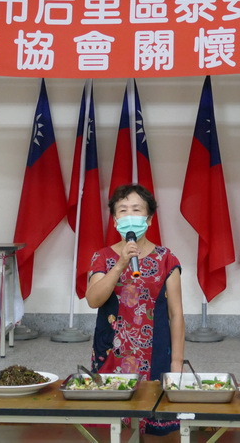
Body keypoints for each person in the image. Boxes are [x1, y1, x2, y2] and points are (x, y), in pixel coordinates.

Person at [86, 184, 184, 437]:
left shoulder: (166, 258)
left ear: (149, 219)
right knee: (113, 424)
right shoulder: (103, 257)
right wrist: (120, 264)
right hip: (112, 350)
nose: (130, 215)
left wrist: (176, 363)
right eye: (123, 210)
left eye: (137, 209)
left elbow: (176, 314)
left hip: (155, 351)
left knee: (153, 421)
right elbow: (93, 300)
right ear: (116, 219)